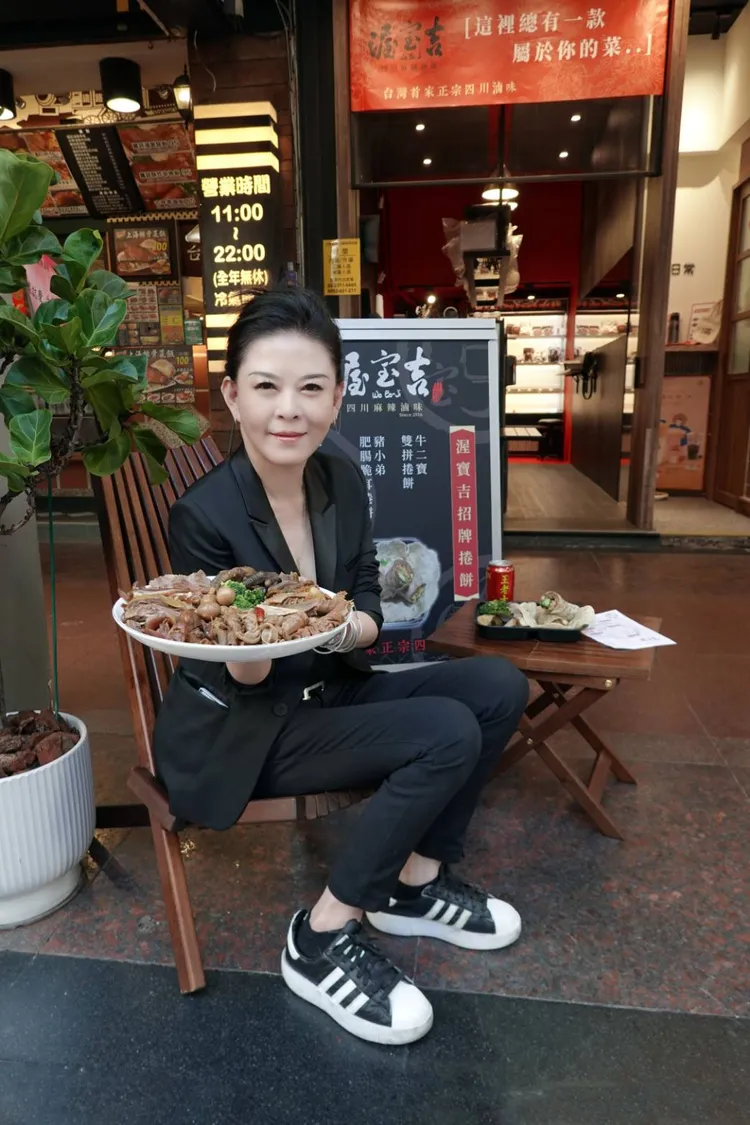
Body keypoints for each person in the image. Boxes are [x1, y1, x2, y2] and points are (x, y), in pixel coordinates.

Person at [153, 288, 529, 1047]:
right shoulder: (205, 514)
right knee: (445, 732)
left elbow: (361, 594)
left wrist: (352, 619)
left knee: (497, 686)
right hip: (244, 729)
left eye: (310, 387)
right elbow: (227, 667)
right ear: (231, 395)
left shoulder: (341, 481)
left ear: (338, 397)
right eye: (265, 386)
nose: (287, 409)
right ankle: (321, 934)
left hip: (328, 688)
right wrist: (256, 651)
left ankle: (414, 884)